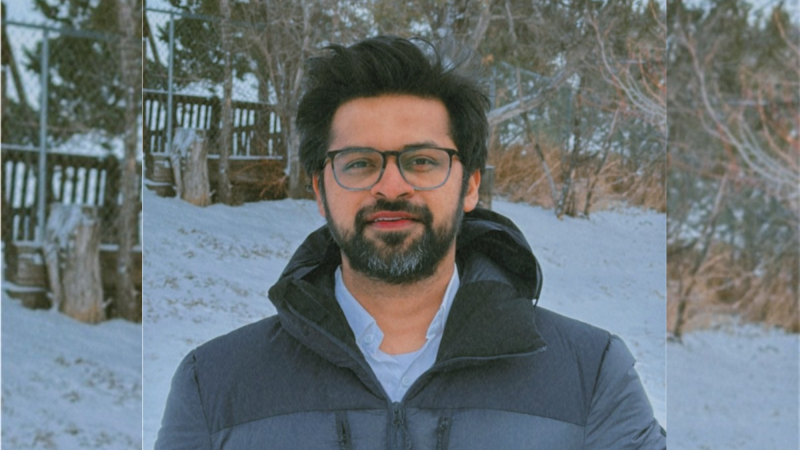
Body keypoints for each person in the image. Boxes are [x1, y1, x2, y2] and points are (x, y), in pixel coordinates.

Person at [155, 35, 666, 450]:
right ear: (319, 191)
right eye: (359, 163)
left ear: (470, 185)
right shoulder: (215, 385)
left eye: (422, 161)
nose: (392, 186)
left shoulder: (589, 375)